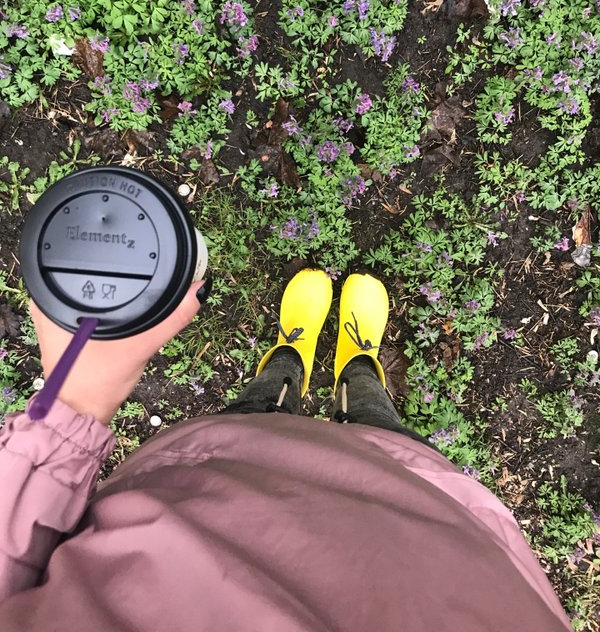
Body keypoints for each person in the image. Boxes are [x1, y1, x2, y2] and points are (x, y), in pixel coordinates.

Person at [0, 269, 572, 631]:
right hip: (412, 519)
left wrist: (74, 399)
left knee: (260, 409)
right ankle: (357, 364)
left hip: (220, 479)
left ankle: (290, 355)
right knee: (376, 425)